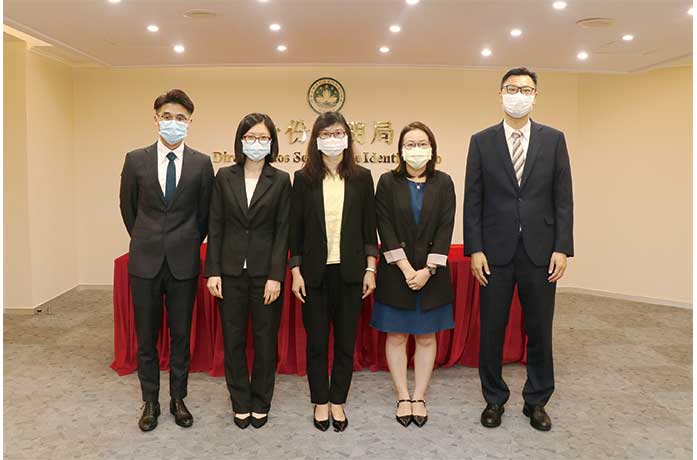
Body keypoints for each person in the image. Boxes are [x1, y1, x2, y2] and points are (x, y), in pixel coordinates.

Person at [463, 67, 574, 431]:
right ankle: (494, 398)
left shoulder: (553, 139)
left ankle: (537, 400)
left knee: (540, 329)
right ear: (500, 93)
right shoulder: (481, 141)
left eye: (526, 90)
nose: (518, 95)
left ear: (535, 96)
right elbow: (473, 199)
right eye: (512, 88)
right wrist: (475, 249)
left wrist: (562, 247)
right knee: (492, 329)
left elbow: (563, 198)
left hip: (541, 252)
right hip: (494, 253)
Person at [119, 89, 214, 431]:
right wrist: (146, 238)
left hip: (184, 263)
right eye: (168, 116)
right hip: (144, 262)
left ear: (190, 122)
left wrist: (185, 241)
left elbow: (205, 215)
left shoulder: (202, 163)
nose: (174, 123)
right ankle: (150, 401)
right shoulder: (135, 159)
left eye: (181, 118)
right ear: (156, 118)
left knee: (181, 336)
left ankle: (178, 398)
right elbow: (128, 208)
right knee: (146, 337)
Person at [288, 111, 378, 432]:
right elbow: (295, 231)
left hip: (351, 272)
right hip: (314, 274)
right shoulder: (303, 179)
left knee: (344, 341)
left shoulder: (362, 177)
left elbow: (370, 229)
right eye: (325, 134)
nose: (332, 139)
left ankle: (338, 399)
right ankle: (320, 400)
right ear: (316, 140)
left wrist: (370, 268)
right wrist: (295, 272)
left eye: (338, 133)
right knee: (316, 342)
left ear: (347, 138)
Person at [204, 113, 290, 430]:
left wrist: (276, 276)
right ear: (241, 140)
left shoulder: (280, 180)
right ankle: (240, 401)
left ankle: (261, 401)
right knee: (234, 340)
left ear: (272, 142)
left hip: (265, 275)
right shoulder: (224, 176)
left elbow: (283, 231)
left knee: (265, 341)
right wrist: (213, 271)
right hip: (229, 273)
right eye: (250, 137)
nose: (256, 143)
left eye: (263, 138)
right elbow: (215, 225)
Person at [371, 122, 456, 428]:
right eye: (410, 144)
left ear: (431, 149)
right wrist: (407, 269)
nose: (416, 149)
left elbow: (446, 227)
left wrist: (427, 271)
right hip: (397, 272)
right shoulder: (387, 182)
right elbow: (384, 227)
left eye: (422, 144)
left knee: (426, 337)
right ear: (401, 150)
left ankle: (419, 396)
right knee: (396, 336)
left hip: (432, 274)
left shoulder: (444, 182)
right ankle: (402, 395)